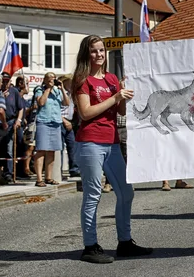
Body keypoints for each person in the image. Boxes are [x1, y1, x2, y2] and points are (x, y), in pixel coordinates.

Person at [72, 35, 153, 264]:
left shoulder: (111, 78)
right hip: (90, 142)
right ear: (86, 54)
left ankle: (125, 242)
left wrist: (123, 96)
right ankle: (90, 246)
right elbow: (85, 113)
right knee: (93, 195)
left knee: (127, 192)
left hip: (112, 142)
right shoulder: (82, 79)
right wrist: (116, 96)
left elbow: (122, 113)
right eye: (94, 51)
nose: (99, 55)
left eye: (101, 50)